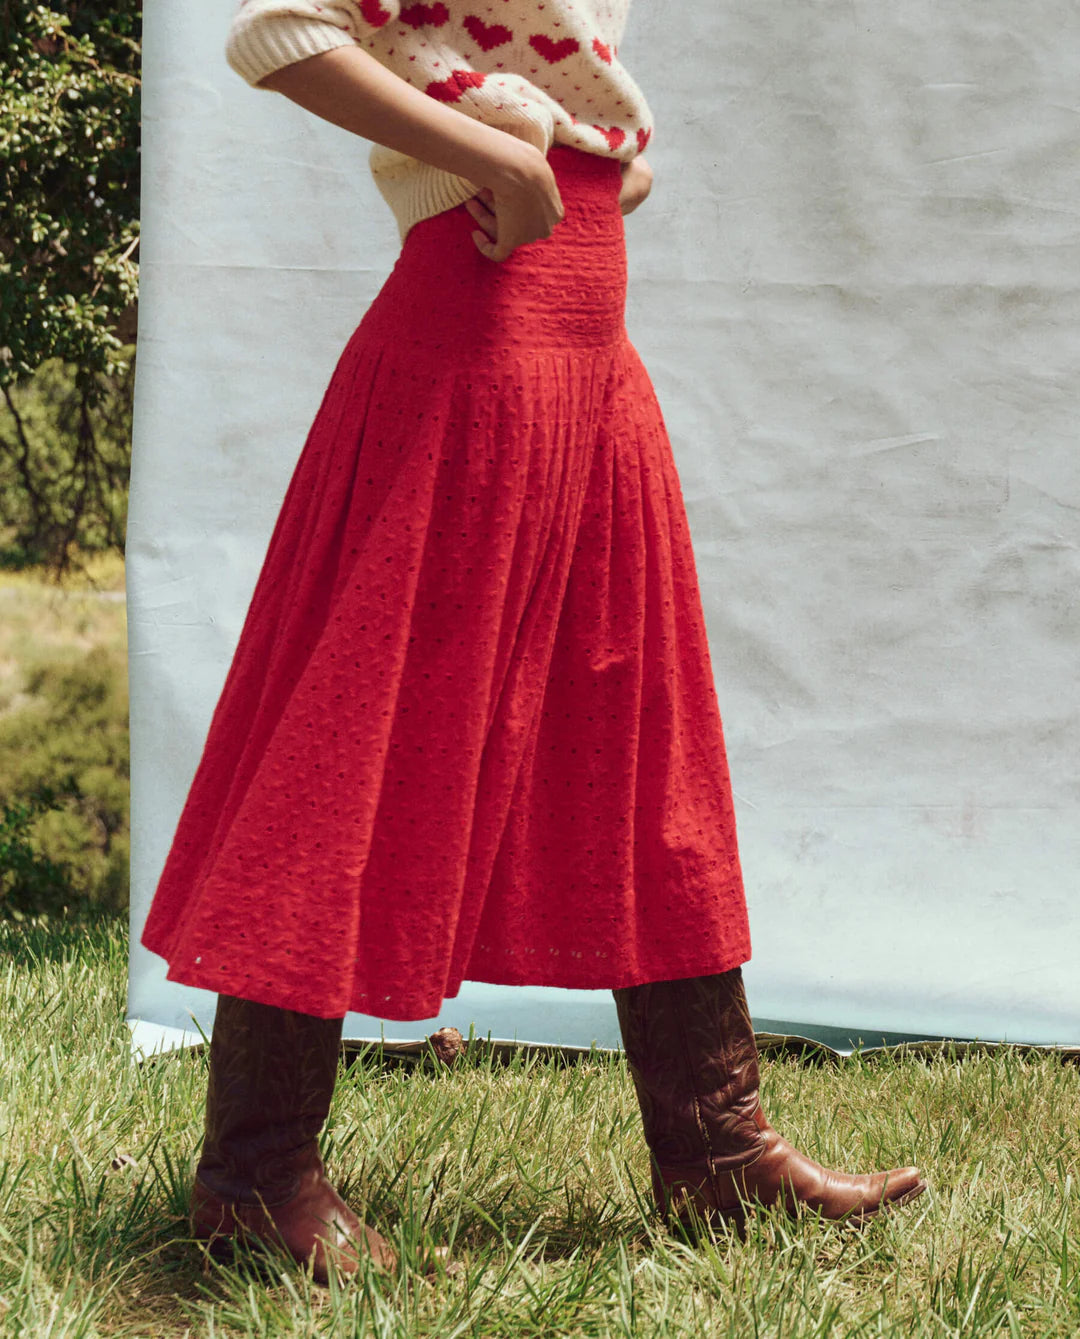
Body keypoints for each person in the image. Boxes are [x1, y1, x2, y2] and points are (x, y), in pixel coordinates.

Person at [140, 0, 928, 1284]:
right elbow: (279, 31)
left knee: (639, 742)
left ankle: (717, 1151)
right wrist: (501, 158)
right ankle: (251, 1175)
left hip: (588, 352)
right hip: (474, 343)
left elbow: (551, 59)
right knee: (361, 743)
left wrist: (600, 163)